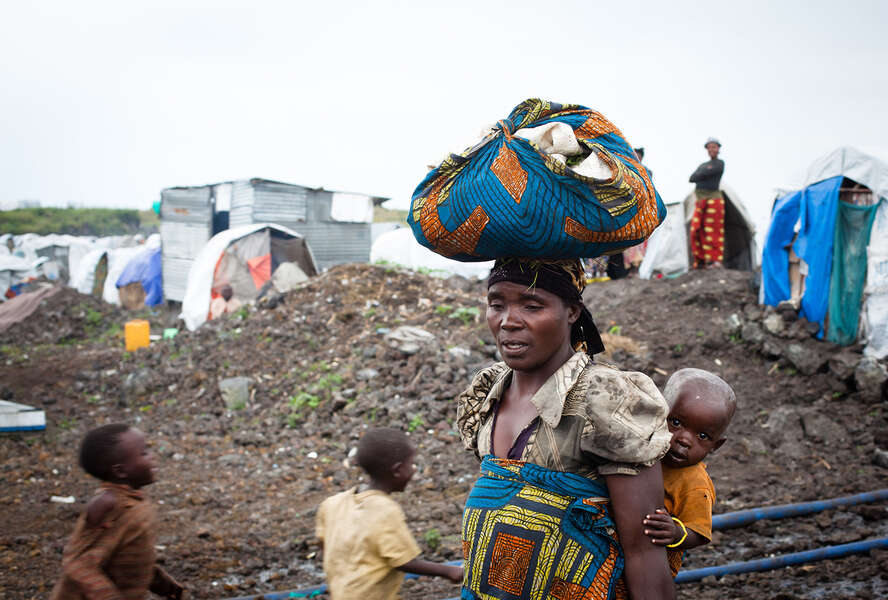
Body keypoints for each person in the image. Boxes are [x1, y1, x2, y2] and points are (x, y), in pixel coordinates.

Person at [457, 258, 675, 600]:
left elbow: (644, 551)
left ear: (572, 312)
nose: (508, 321)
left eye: (531, 306)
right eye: (496, 304)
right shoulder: (488, 391)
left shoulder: (605, 400)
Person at [315, 427, 463, 599]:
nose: (414, 470)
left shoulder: (332, 504)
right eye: (411, 464)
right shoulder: (385, 510)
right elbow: (405, 561)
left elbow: (324, 545)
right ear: (397, 470)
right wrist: (451, 571)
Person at [50, 424, 185, 600]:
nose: (152, 457)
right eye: (143, 453)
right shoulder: (108, 505)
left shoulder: (134, 502)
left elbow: (129, 556)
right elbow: (78, 563)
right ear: (120, 471)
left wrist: (163, 585)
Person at [641, 369, 736, 576]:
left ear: (715, 445)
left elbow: (699, 533)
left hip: (652, 566)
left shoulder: (695, 484)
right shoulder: (639, 447)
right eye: (675, 423)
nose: (684, 439)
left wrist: (675, 533)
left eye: (702, 435)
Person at [688, 138, 726, 269]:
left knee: (713, 230)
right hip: (700, 200)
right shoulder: (704, 165)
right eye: (709, 147)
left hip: (714, 200)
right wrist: (704, 173)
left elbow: (702, 174)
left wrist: (702, 174)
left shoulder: (720, 163)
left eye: (714, 147)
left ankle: (716, 261)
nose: (712, 149)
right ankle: (702, 260)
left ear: (718, 149)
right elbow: (692, 178)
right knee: (697, 230)